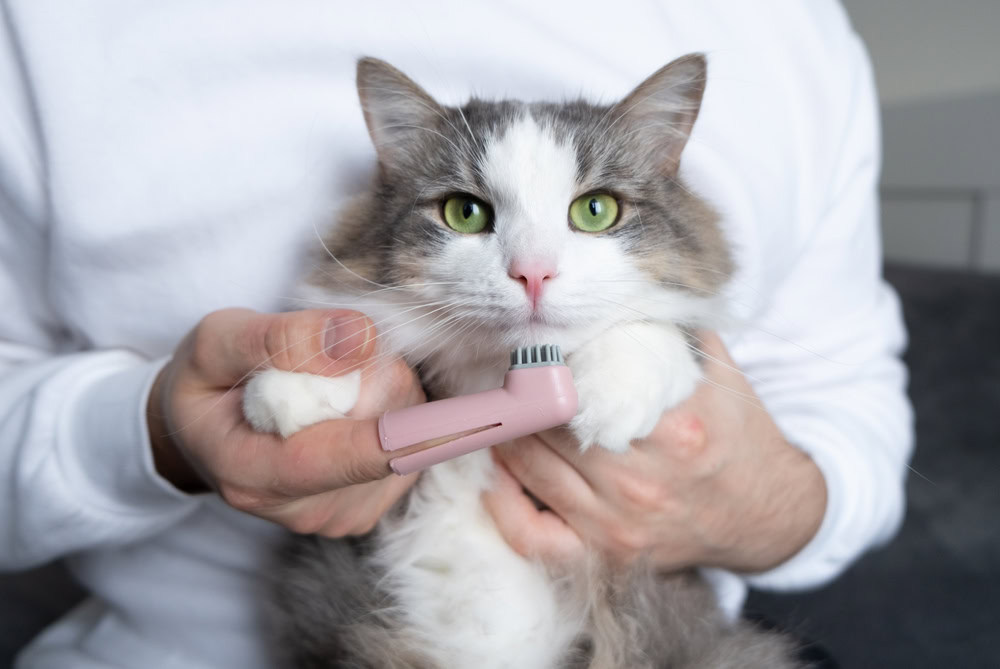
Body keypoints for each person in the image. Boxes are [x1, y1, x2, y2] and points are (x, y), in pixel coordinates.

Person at [0, 1, 912, 667]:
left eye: (594, 209)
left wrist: (768, 502)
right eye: (470, 210)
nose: (533, 266)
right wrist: (154, 433)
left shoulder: (795, 34)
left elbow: (851, 402)